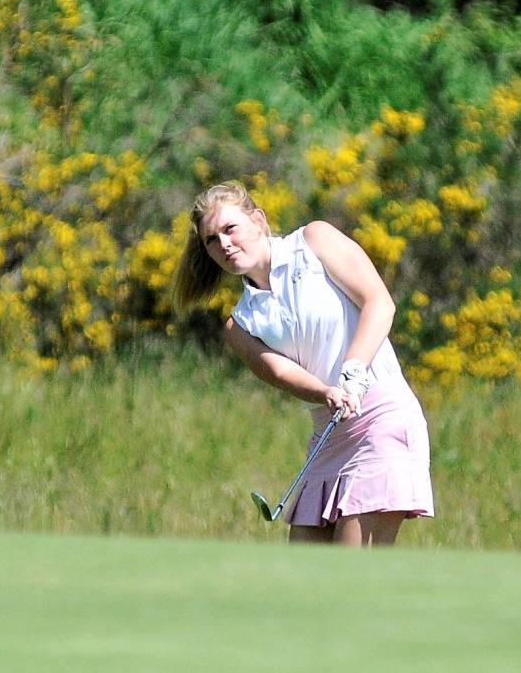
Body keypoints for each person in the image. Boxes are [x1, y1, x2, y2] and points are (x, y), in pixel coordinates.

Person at [173, 180, 433, 546]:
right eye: (212, 240)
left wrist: (354, 369)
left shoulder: (313, 241)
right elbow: (280, 372)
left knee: (350, 579)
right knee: (307, 583)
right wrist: (326, 390)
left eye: (230, 229)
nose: (224, 244)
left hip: (380, 418)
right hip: (327, 436)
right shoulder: (240, 323)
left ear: (259, 221)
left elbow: (379, 302)